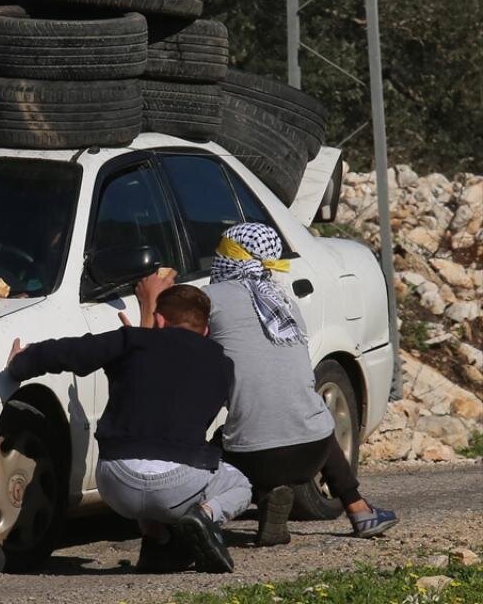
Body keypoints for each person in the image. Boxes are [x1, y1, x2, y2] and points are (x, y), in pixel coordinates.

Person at [132, 223, 398, 546]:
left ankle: (204, 516)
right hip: (314, 453)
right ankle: (357, 508)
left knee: (218, 446)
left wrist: (154, 303)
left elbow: (160, 358)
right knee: (306, 411)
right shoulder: (283, 303)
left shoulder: (205, 302)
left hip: (254, 457)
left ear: (226, 259)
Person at [6, 285, 250, 573]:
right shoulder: (223, 365)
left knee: (142, 449)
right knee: (241, 485)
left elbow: (72, 351)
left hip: (116, 481)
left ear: (158, 320)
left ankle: (157, 543)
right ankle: (205, 516)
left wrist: (21, 363)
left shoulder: (132, 341)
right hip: (178, 485)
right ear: (206, 330)